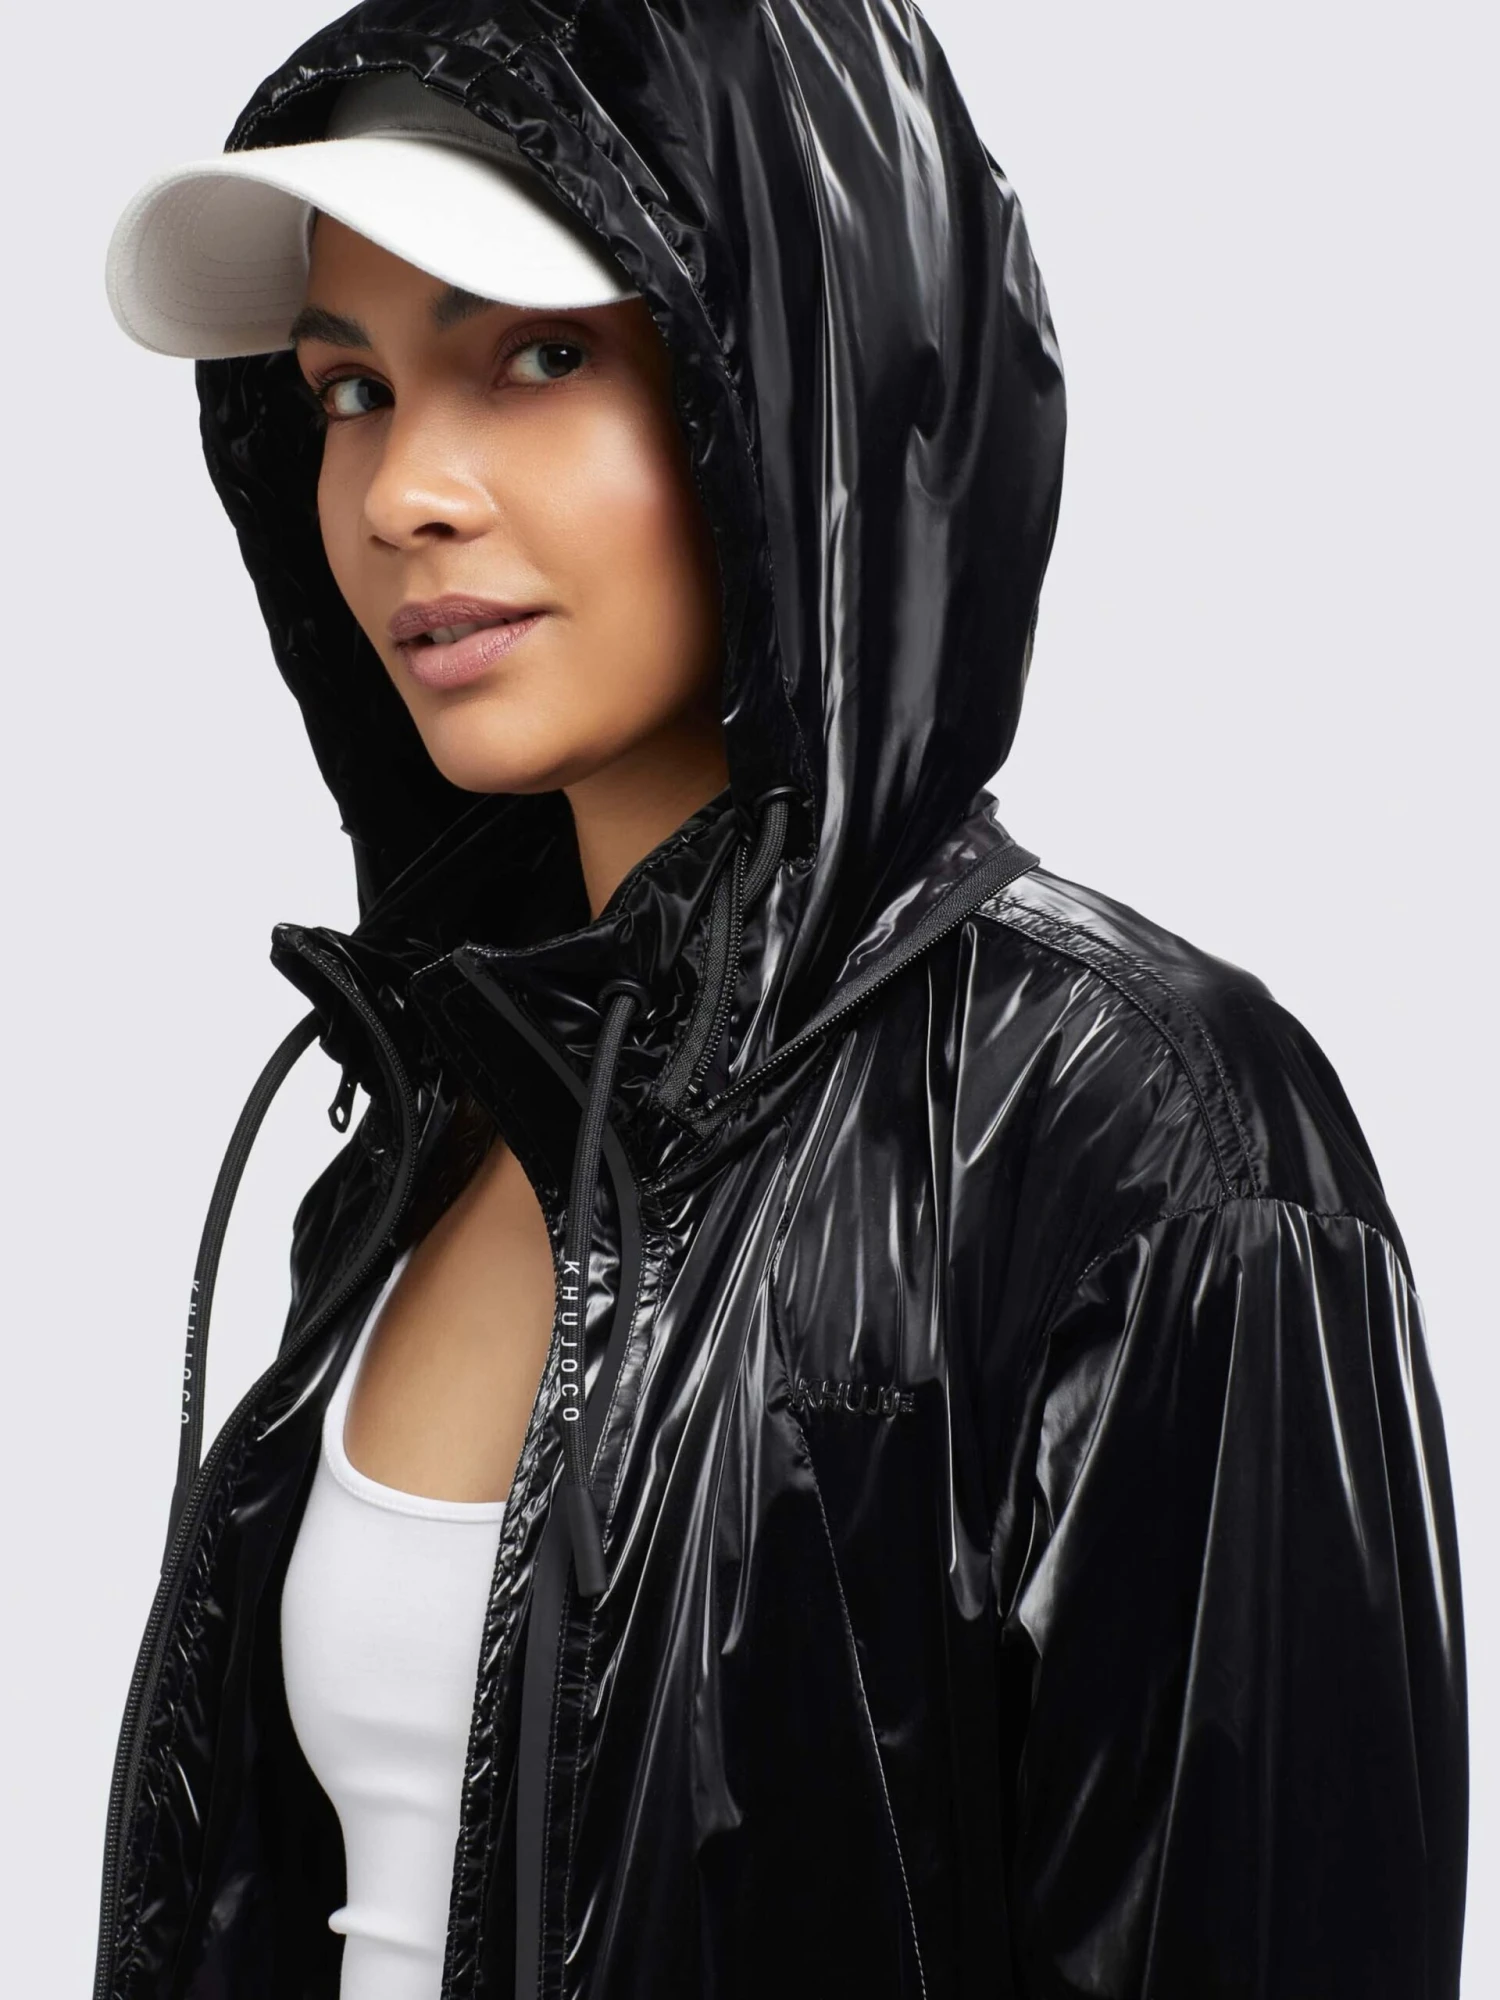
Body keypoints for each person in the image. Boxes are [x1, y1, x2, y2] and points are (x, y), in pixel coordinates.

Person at [96, 6, 1467, 1999]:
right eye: (351, 389)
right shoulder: (432, 1131)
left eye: (538, 355)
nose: (402, 490)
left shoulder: (1141, 1131)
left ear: (795, 385)